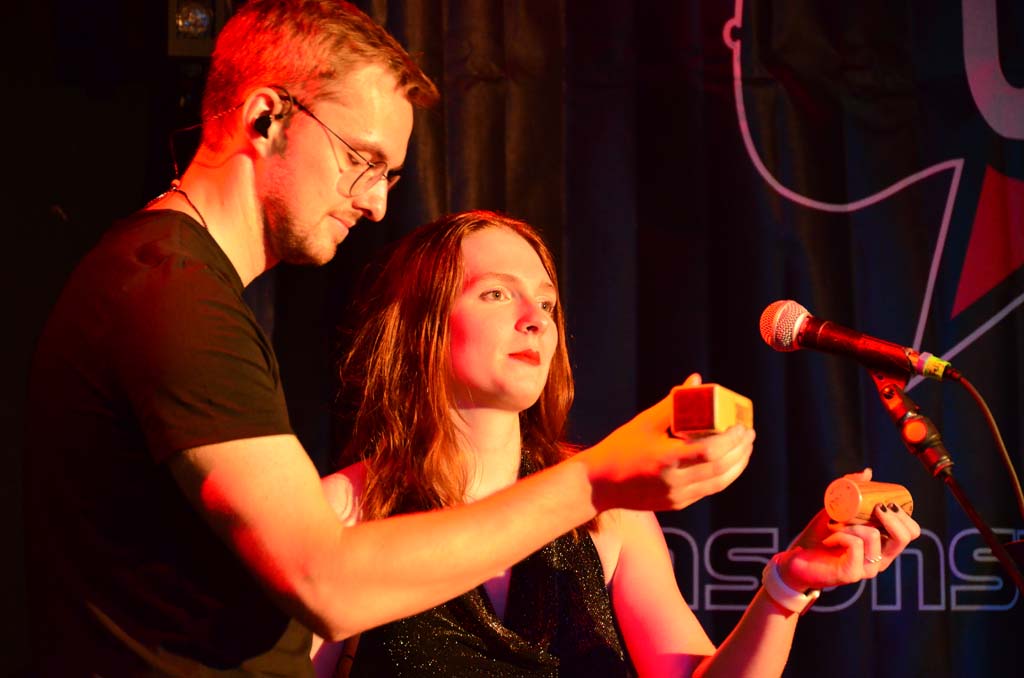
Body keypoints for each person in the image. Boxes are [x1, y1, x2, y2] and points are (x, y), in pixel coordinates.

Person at [22, 2, 757, 675]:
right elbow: (328, 581)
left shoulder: (188, 288)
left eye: (391, 176)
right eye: (361, 159)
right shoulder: (174, 291)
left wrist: (782, 587)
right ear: (266, 117)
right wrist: (596, 479)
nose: (375, 203)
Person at [313, 210, 922, 677]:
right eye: (496, 292)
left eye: (547, 302)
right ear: (420, 323)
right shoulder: (341, 511)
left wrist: (785, 588)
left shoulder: (611, 511)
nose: (536, 318)